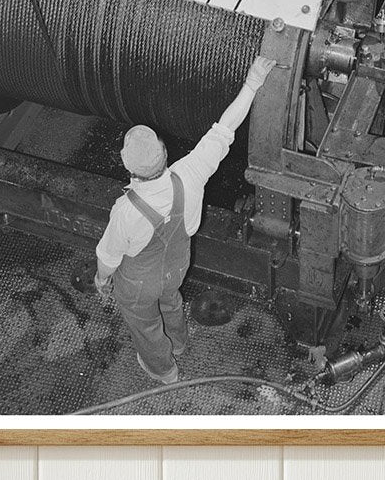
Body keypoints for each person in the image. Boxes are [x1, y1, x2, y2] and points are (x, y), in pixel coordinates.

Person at [94, 54, 277, 385]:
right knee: (170, 301)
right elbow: (225, 129)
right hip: (177, 267)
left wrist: (101, 279)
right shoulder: (191, 173)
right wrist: (253, 81)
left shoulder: (125, 210)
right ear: (164, 152)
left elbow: (108, 257)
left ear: (125, 163)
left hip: (139, 284)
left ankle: (164, 370)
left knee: (146, 325)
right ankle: (178, 344)